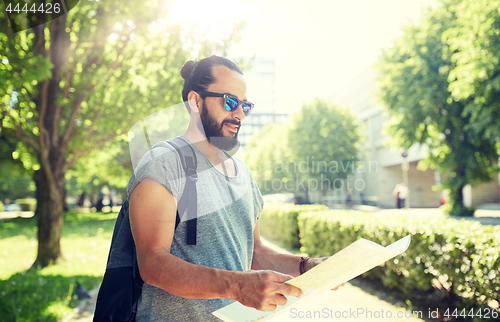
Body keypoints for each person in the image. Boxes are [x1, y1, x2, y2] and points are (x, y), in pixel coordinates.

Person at [120, 56, 337, 321]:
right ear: (195, 101)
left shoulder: (243, 173)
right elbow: (153, 263)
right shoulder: (164, 163)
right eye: (230, 102)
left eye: (245, 105)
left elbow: (254, 251)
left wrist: (305, 267)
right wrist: (236, 285)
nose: (240, 114)